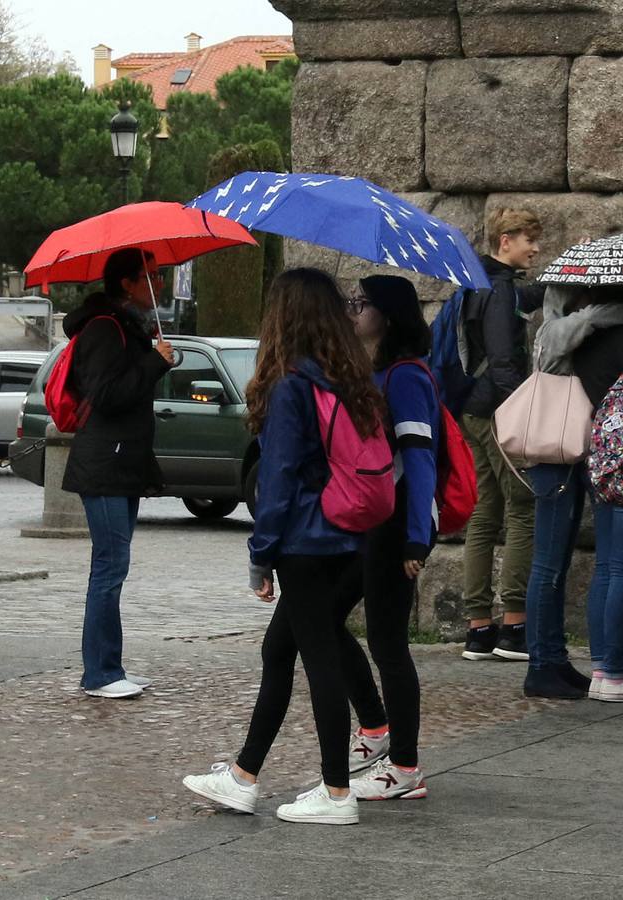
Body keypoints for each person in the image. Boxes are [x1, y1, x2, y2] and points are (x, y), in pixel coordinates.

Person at [182, 268, 383, 825]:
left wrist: (260, 555)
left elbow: (279, 478)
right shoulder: (349, 377)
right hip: (351, 534)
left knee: (317, 660)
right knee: (280, 651)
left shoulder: (291, 383)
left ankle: (337, 793)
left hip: (306, 540)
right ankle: (244, 776)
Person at [520, 283, 623, 699]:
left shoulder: (574, 329)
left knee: (557, 563)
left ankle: (553, 662)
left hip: (572, 449)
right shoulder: (576, 330)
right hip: (562, 449)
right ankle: (545, 664)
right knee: (550, 564)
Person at [337, 275, 438, 801]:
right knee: (332, 619)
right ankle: (376, 729)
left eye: (362, 303)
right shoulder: (375, 371)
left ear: (389, 314)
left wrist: (416, 539)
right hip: (373, 522)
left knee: (389, 644)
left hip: (397, 525)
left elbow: (420, 461)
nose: (353, 311)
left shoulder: (405, 377)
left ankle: (405, 766)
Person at [59, 250, 174, 700]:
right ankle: (101, 673)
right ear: (128, 283)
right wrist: (154, 363)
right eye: (153, 276)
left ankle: (111, 666)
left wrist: (153, 359)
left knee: (113, 567)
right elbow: (106, 394)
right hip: (104, 463)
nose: (159, 285)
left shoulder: (128, 327)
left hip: (122, 461)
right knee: (109, 567)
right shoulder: (105, 329)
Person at [459, 208, 545, 663]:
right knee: (523, 508)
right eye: (529, 240)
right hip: (495, 409)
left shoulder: (481, 281)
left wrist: (553, 286)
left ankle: (477, 628)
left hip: (473, 408)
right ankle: (513, 626)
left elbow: (518, 300)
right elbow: (502, 356)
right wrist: (521, 407)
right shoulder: (498, 288)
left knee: (486, 509)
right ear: (505, 239)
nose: (535, 248)